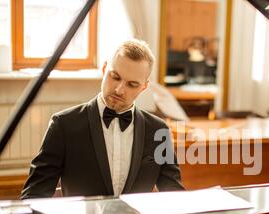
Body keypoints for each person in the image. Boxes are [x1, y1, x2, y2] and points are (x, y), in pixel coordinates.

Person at [21, 39, 184, 199]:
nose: (120, 90)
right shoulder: (64, 124)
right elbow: (34, 195)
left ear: (144, 87)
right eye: (115, 77)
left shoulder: (158, 130)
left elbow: (174, 193)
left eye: (132, 84)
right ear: (105, 69)